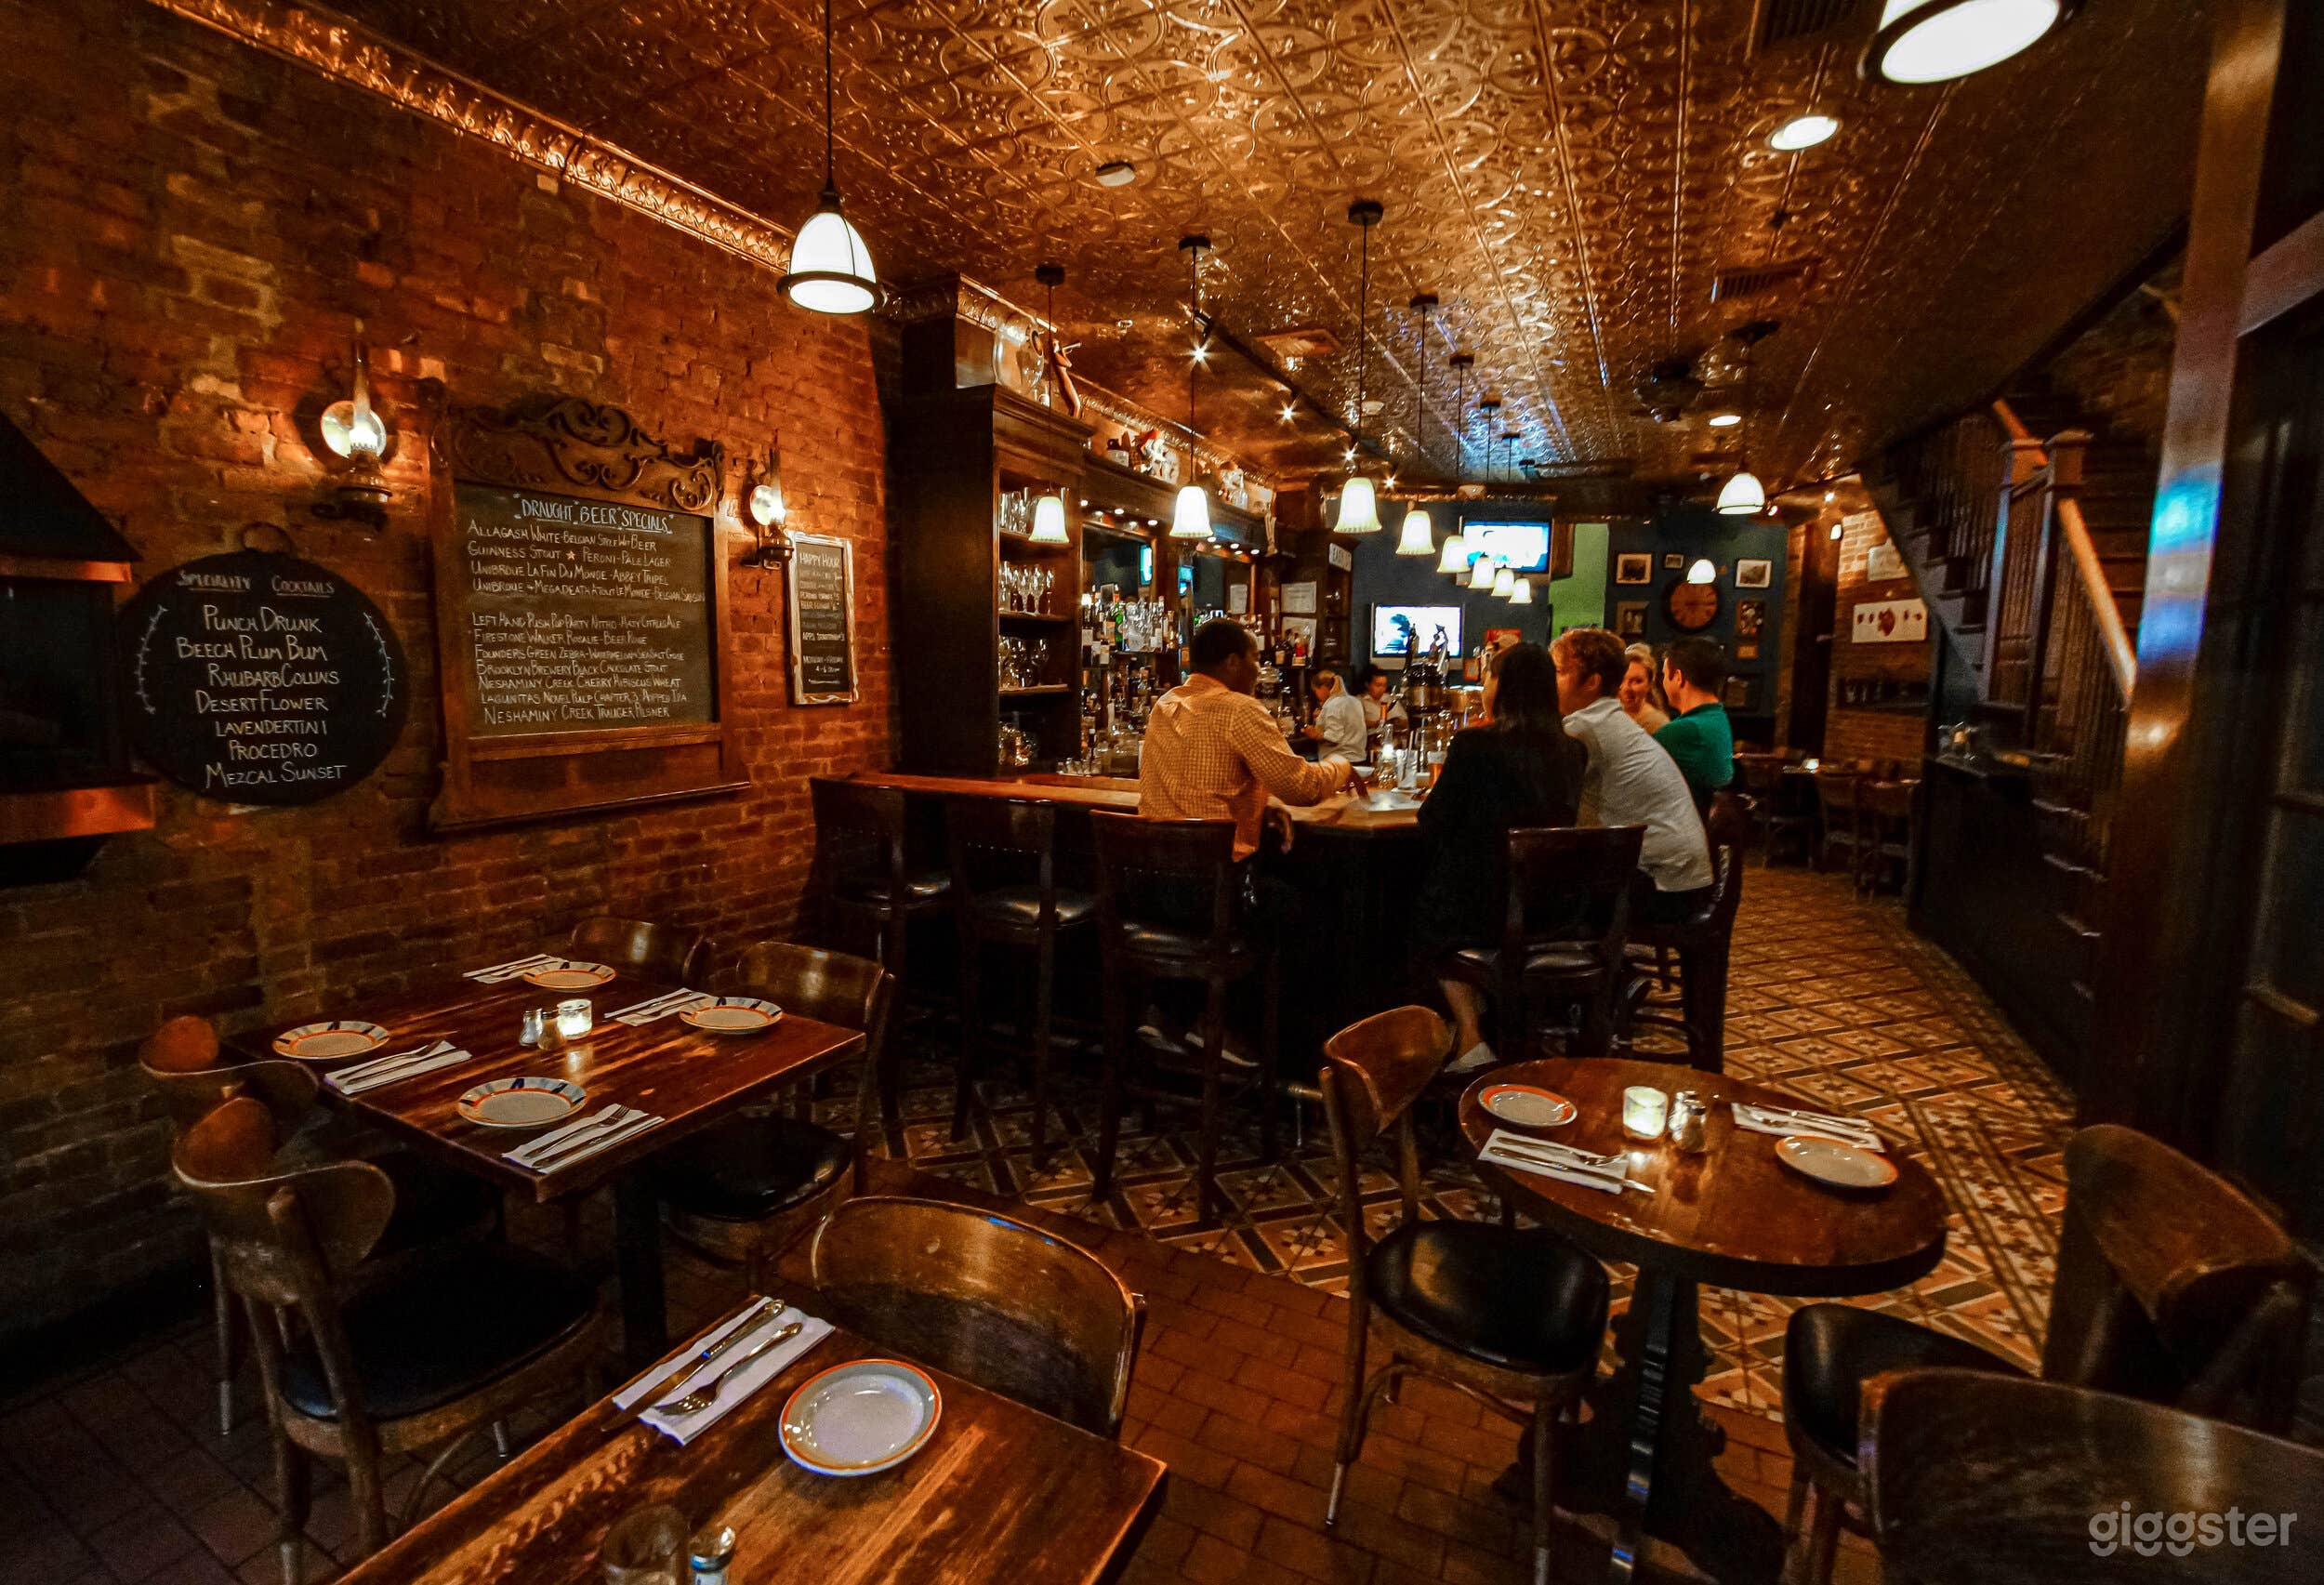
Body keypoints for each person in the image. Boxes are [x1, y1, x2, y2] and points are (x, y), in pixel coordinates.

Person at [1416, 642, 1588, 1074]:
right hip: (1555, 910)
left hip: (1484, 911)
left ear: (1502, 687)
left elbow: (1432, 821)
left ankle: (1470, 1035)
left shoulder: (1474, 744)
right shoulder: (1572, 751)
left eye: (1489, 678)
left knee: (1418, 907)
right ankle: (1491, 1027)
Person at [1142, 618, 1355, 861]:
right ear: (1233, 662)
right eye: (1254, 658)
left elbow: (1194, 791)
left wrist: (1259, 809)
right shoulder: (1240, 709)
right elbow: (1303, 789)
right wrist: (1343, 765)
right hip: (1219, 878)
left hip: (1152, 874)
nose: (1259, 669)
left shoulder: (1164, 704)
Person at [1552, 627, 1713, 925]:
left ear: (1592, 682)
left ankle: (1599, 968)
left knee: (1542, 894)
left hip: (1665, 888)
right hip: (1685, 880)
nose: (1551, 681)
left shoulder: (1584, 728)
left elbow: (1544, 795)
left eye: (1560, 671)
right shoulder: (1608, 719)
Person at [1654, 636, 1736, 809]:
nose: (1662, 682)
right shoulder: (1718, 719)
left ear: (1678, 677)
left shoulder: (1684, 731)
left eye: (1664, 675)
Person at [1300, 667, 1369, 762]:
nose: (1316, 695)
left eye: (1316, 690)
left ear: (1323, 687)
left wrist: (1314, 735)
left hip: (1340, 762)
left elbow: (1333, 737)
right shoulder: (1355, 701)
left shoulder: (1333, 705)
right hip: (1359, 758)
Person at [1618, 644, 1670, 733]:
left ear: (1649, 684)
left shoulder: (1655, 724)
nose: (1626, 687)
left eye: (1637, 681)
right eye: (1621, 679)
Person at [1353, 665, 1407, 744]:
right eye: (1378, 685)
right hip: (1369, 741)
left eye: (1384, 685)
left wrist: (1398, 722)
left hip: (1393, 740)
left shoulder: (1390, 699)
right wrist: (1375, 724)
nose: (1381, 689)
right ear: (1367, 685)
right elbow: (1355, 723)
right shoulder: (1358, 701)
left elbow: (1406, 721)